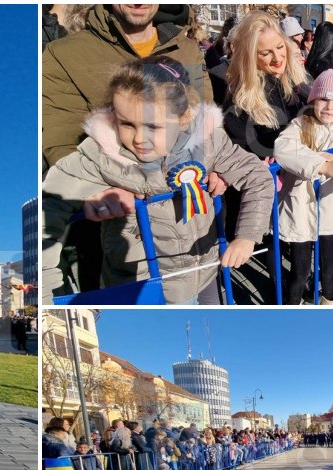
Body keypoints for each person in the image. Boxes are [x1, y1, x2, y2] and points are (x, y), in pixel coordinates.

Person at [42, 55, 273, 304]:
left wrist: (248, 236)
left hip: (205, 269)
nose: (140, 138)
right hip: (142, 287)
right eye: (127, 123)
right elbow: (48, 206)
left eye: (154, 126)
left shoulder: (208, 141)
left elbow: (257, 176)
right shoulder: (100, 155)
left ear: (184, 117)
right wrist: (44, 289)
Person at [42, 4, 211, 295]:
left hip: (190, 227)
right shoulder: (64, 54)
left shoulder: (185, 48)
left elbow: (202, 120)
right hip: (121, 233)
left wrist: (214, 164)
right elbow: (60, 138)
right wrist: (92, 191)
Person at [272, 69, 333, 305]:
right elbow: (283, 148)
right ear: (313, 99)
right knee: (300, 271)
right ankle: (292, 307)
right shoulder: (300, 125)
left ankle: (329, 303)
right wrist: (323, 164)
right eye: (323, 99)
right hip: (300, 211)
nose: (329, 107)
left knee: (328, 266)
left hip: (330, 211)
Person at [223, 10, 311, 159]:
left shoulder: (299, 78)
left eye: (279, 47)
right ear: (250, 57)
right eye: (265, 53)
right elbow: (238, 148)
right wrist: (259, 160)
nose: (277, 58)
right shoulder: (242, 95)